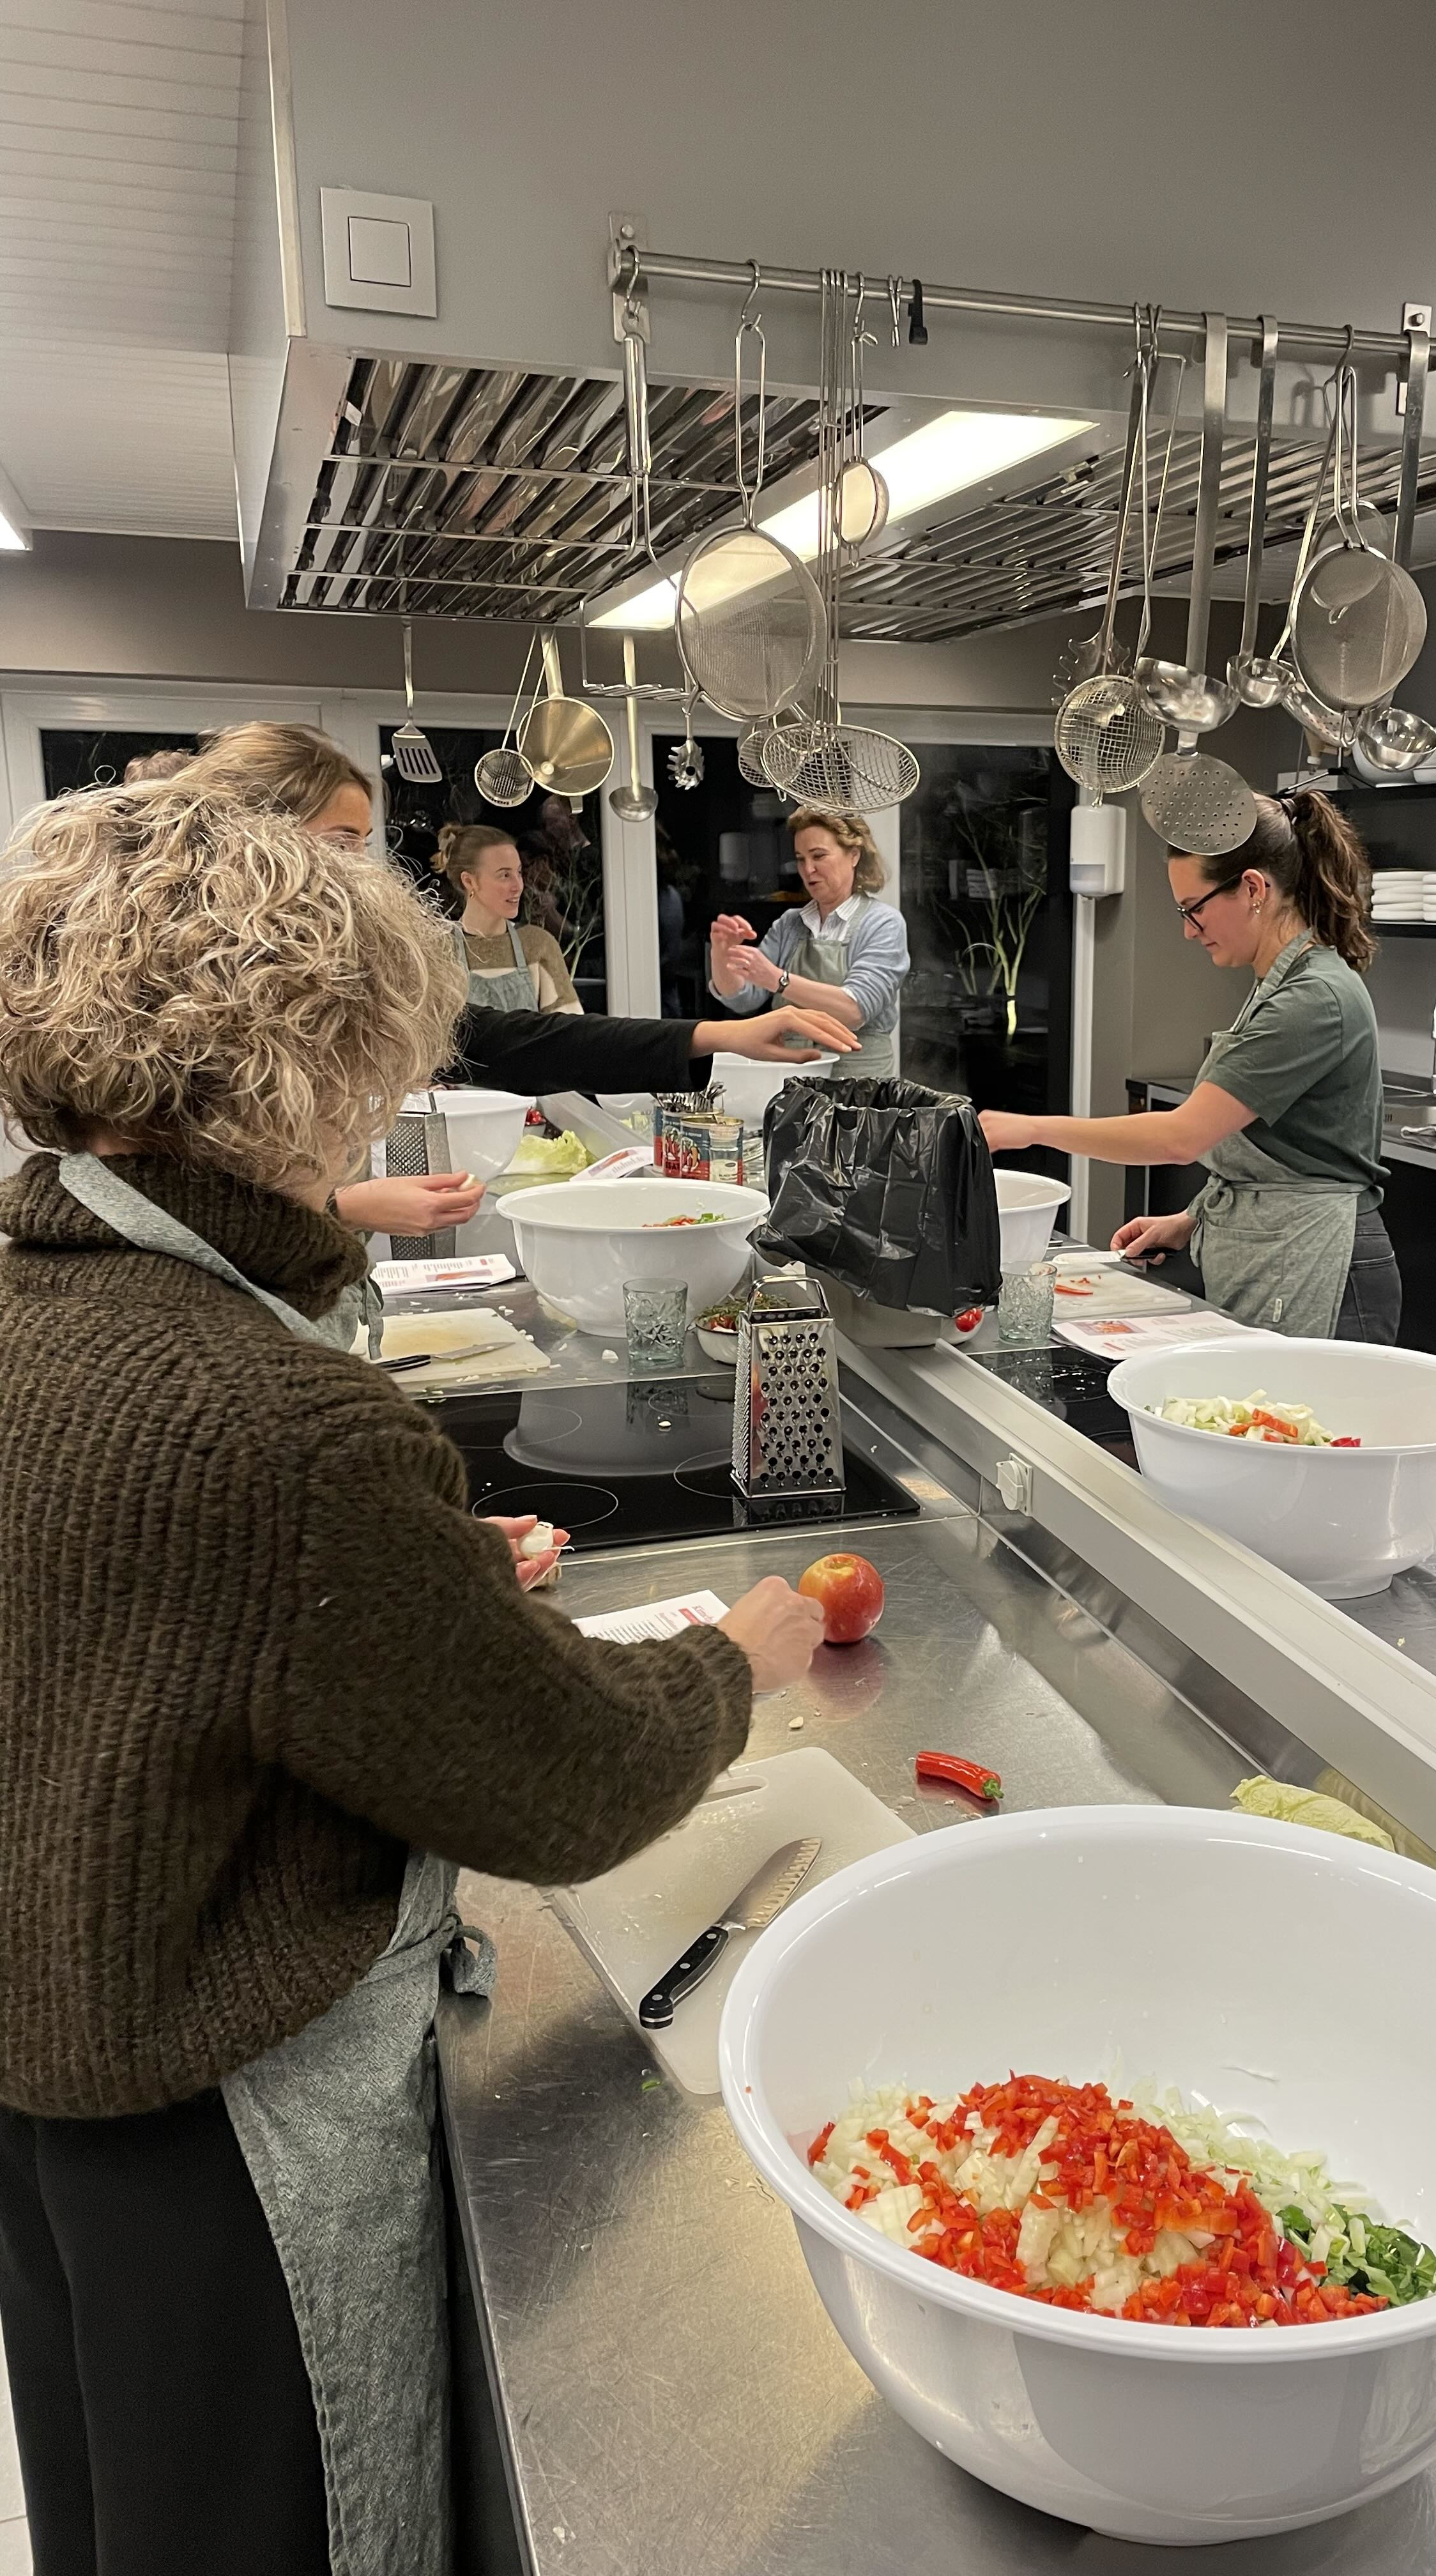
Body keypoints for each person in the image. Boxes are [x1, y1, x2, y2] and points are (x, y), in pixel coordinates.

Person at [0, 778, 825, 2576]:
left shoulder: (23, 1302)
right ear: (306, 1065)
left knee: (111, 2509)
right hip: (229, 2133)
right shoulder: (274, 1418)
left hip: (48, 2069)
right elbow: (562, 1784)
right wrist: (729, 1662)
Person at [164, 723, 857, 1130]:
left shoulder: (324, 966)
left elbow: (511, 1038)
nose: (357, 869)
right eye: (342, 842)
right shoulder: (178, 981)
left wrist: (720, 1034)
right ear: (251, 835)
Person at [980, 792, 1402, 1342]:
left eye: (1193, 908)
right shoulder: (1282, 985)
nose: (1187, 929)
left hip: (1321, 1264)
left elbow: (1182, 1137)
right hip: (1284, 1249)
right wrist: (1194, 1220)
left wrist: (1032, 1129)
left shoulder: (1313, 998)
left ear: (1253, 888)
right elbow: (1284, 1154)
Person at [708, 806, 911, 1081]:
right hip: (793, 1080)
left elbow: (854, 1010)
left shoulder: (882, 923)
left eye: (819, 856)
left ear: (854, 855)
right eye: (800, 859)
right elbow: (743, 998)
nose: (808, 870)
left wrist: (778, 980)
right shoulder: (791, 924)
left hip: (859, 1090)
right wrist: (722, 955)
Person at [434, 821, 583, 1015]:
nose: (518, 886)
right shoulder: (439, 951)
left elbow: (569, 1031)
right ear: (469, 881)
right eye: (505, 875)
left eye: (518, 873)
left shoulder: (536, 944)